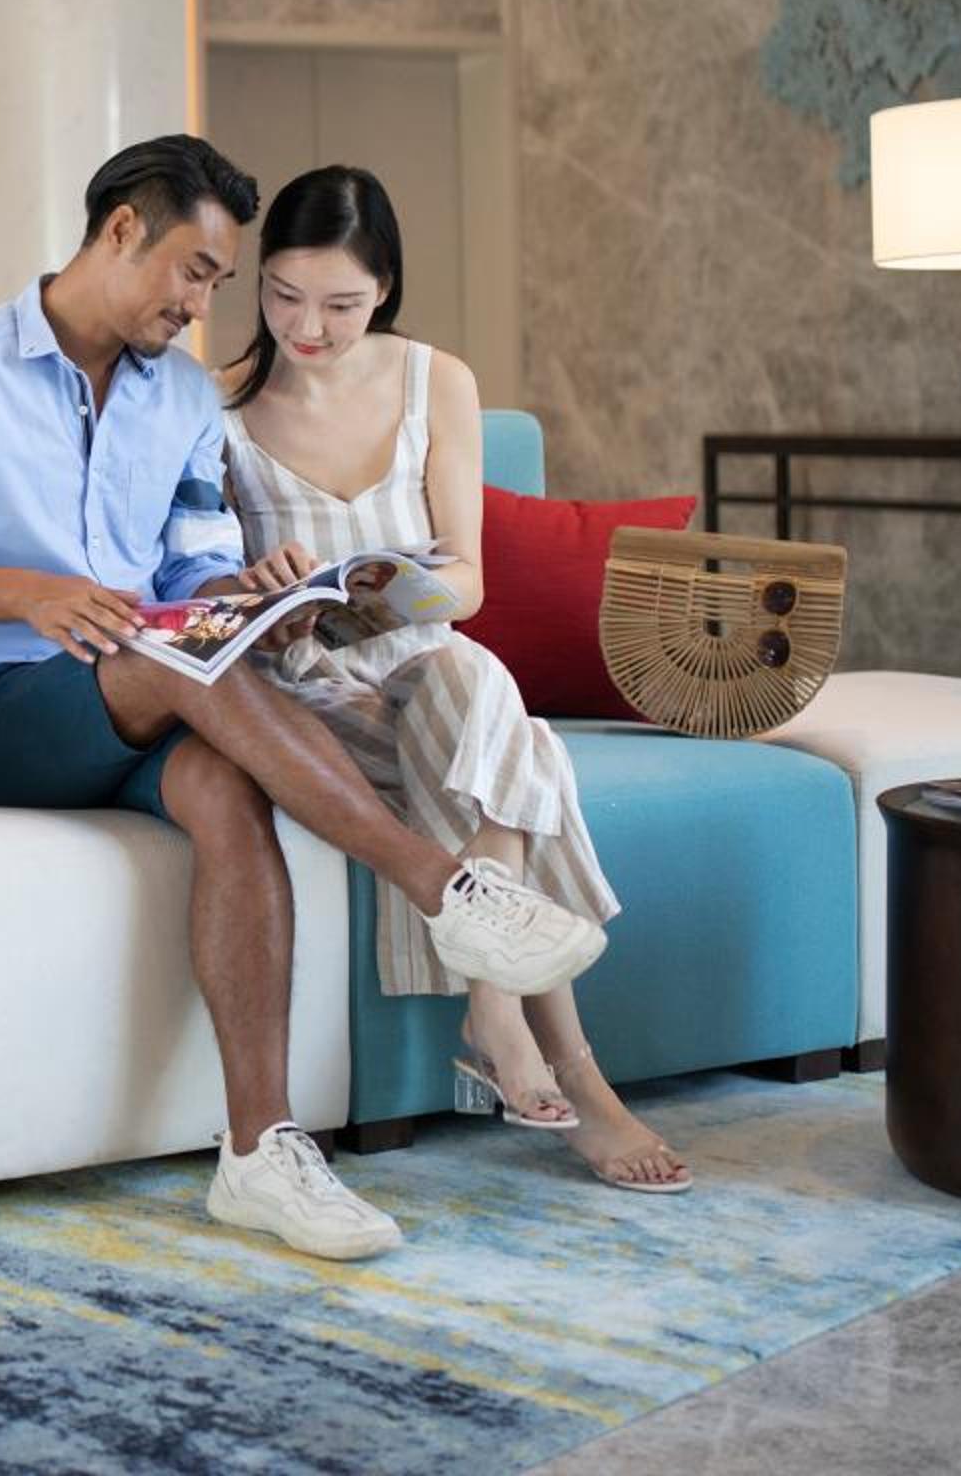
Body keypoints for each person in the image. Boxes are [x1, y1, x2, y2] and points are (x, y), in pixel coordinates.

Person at [0, 135, 609, 1263]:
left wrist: (252, 597)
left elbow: (194, 563)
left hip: (146, 698)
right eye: (196, 272)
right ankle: (446, 886)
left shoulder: (180, 401)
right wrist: (30, 592)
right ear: (121, 232)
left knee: (222, 780)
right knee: (174, 660)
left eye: (217, 280)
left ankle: (259, 1152)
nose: (206, 305)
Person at [219, 165, 688, 1194]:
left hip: (422, 662)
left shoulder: (438, 381)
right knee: (521, 738)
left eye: (341, 303)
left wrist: (384, 596)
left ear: (384, 286)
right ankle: (572, 1073)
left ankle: (494, 1007)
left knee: (467, 677)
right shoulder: (219, 404)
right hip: (305, 690)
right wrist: (269, 587)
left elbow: (467, 580)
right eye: (285, 296)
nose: (308, 327)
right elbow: (202, 586)